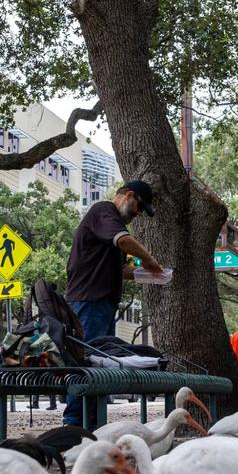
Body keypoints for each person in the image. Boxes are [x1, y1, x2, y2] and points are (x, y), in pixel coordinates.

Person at [62, 180, 162, 426]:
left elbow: (122, 269)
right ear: (128, 195)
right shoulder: (103, 211)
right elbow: (124, 241)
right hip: (88, 303)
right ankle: (74, 424)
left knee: (101, 366)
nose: (138, 214)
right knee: (86, 364)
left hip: (103, 306)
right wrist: (150, 261)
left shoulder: (112, 227)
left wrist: (148, 273)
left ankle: (93, 423)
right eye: (139, 207)